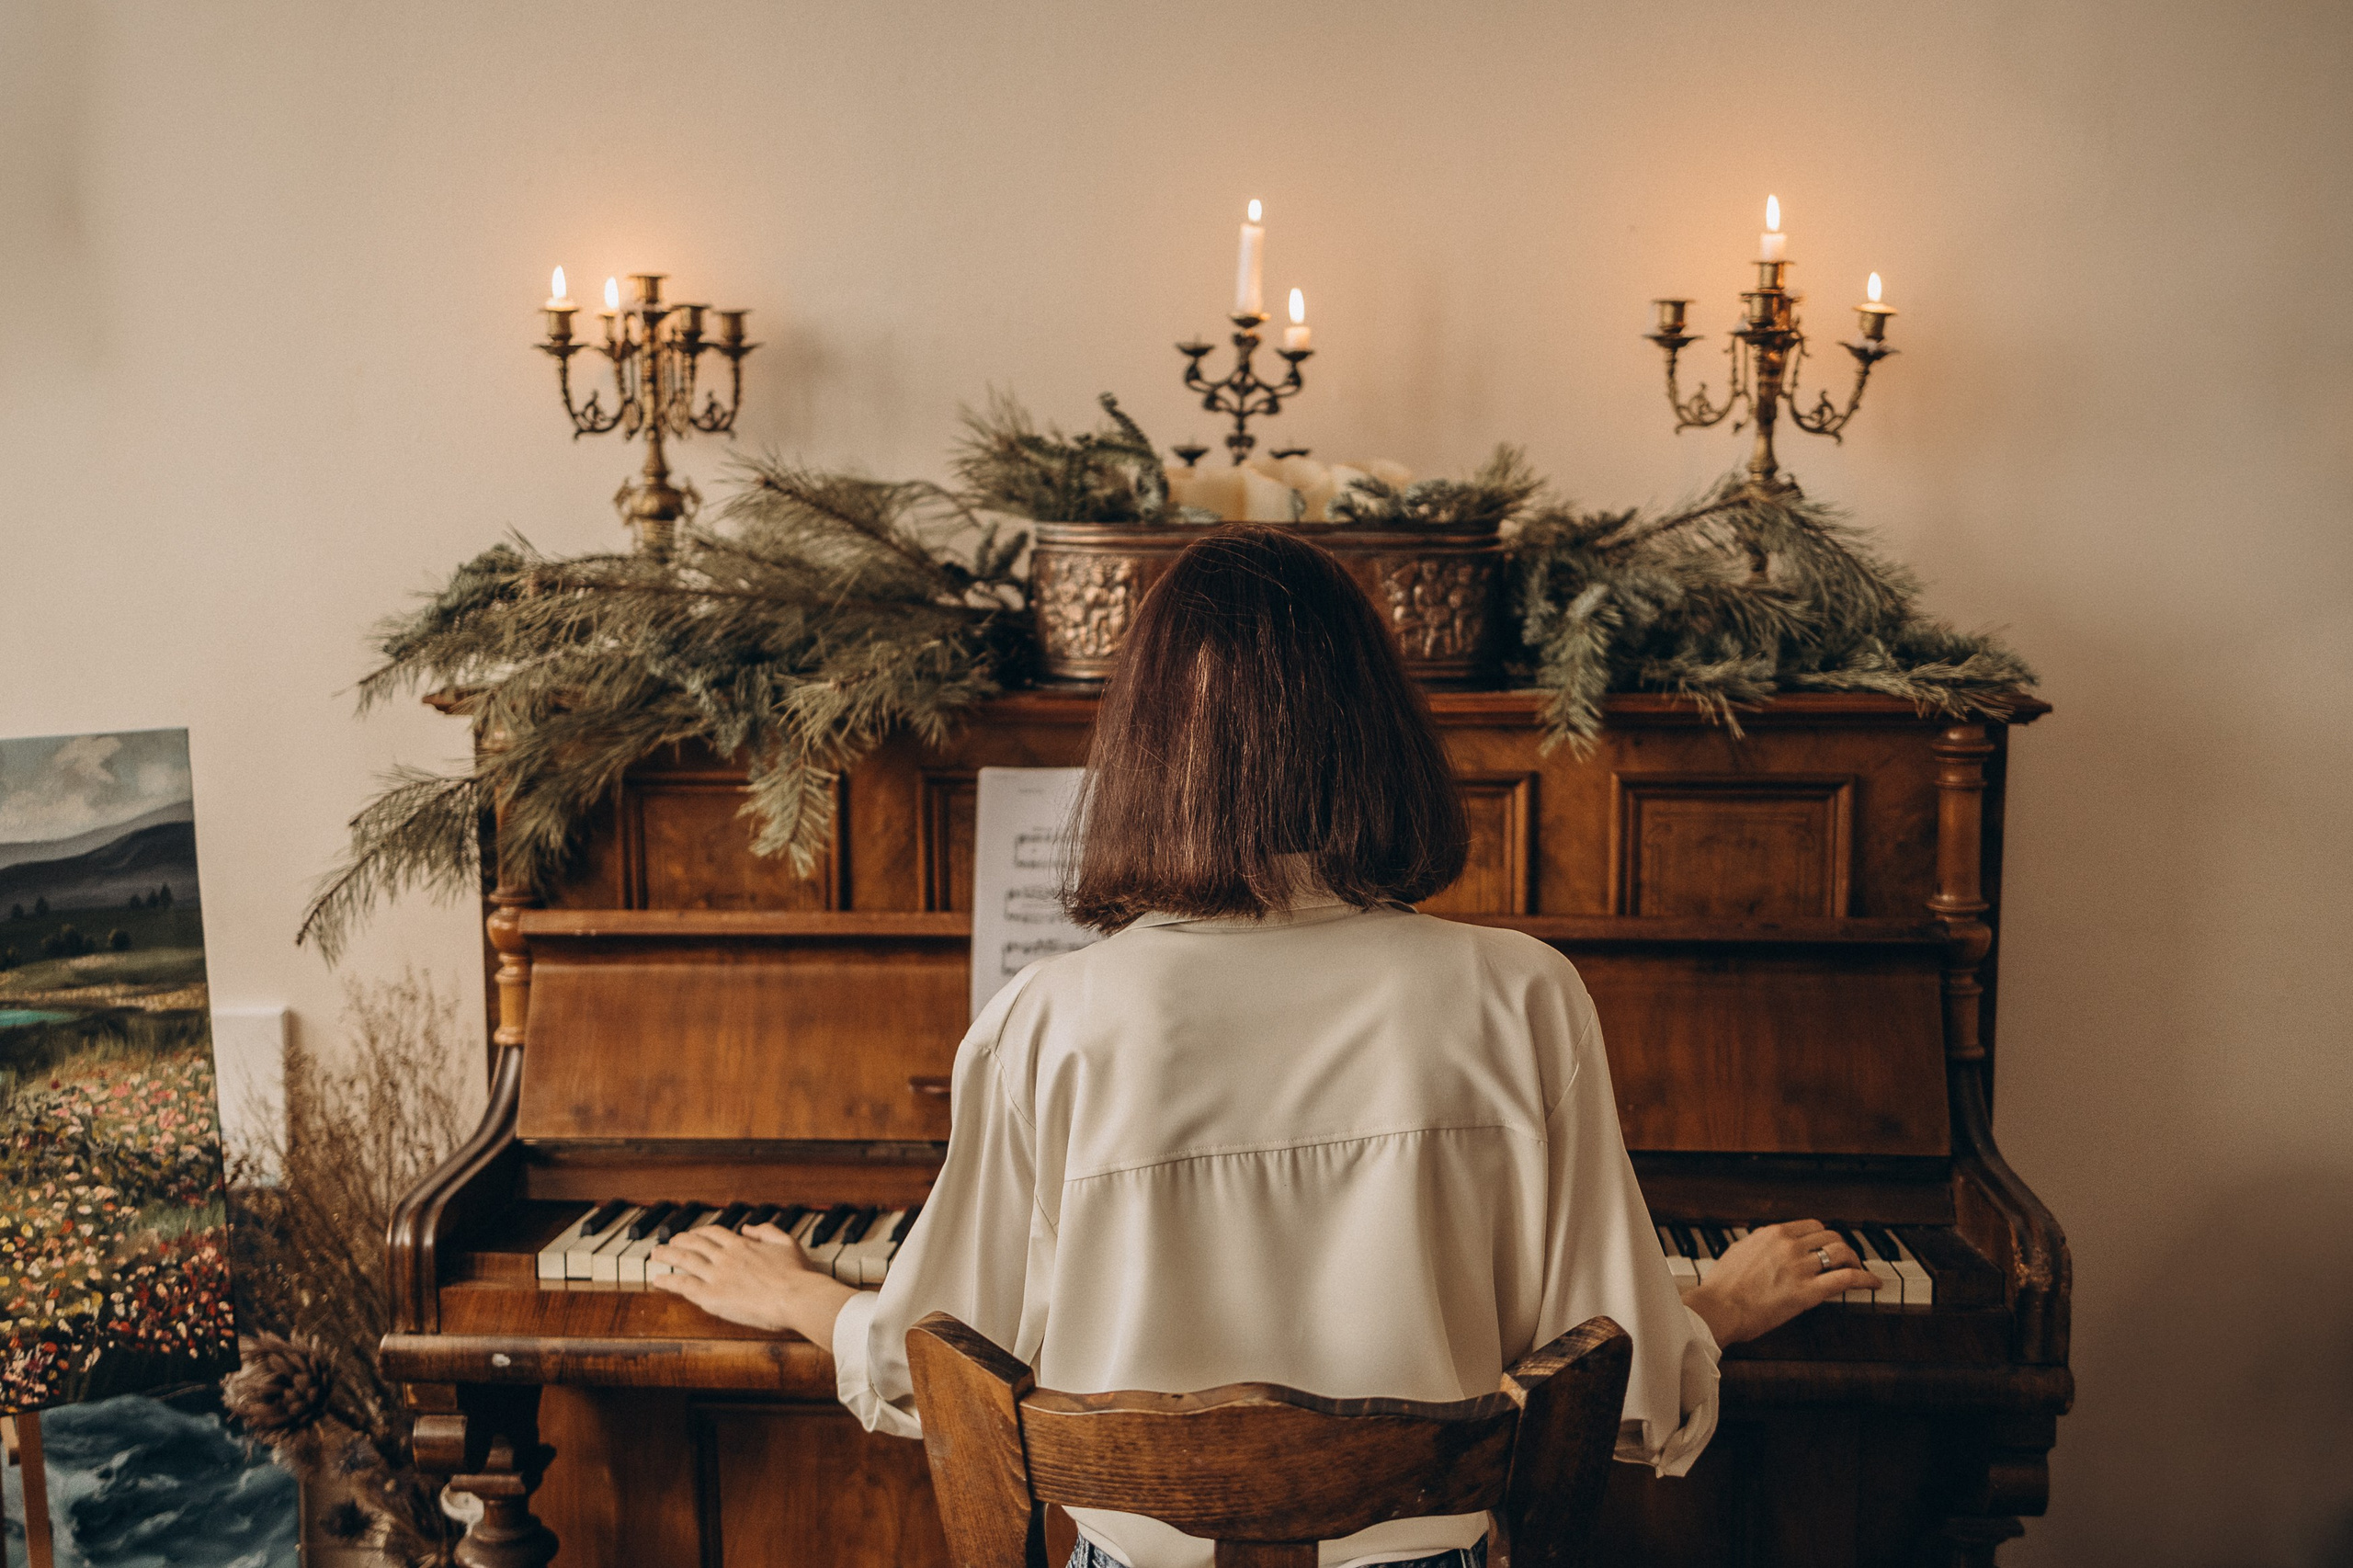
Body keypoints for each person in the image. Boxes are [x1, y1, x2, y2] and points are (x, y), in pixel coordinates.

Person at [652, 525, 1880, 1568]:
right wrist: (1711, 1303)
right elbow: (1621, 1385)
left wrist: (803, 1296)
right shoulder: (1523, 997)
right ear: (1379, 733)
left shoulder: (1050, 1020)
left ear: (1138, 751)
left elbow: (941, 1368)